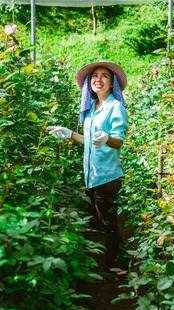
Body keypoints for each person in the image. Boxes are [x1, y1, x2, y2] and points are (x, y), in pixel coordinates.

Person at [47, 60, 128, 282]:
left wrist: (107, 138)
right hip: (92, 176)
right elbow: (91, 141)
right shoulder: (92, 109)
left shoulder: (115, 107)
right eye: (94, 76)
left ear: (112, 84)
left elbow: (118, 141)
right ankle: (119, 260)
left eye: (104, 76)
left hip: (108, 176)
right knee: (101, 221)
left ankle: (115, 268)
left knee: (108, 223)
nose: (98, 79)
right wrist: (70, 134)